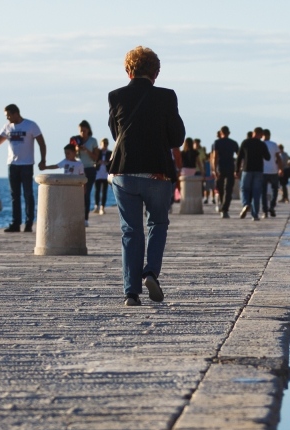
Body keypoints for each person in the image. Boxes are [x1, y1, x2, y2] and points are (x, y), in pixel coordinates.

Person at [108, 46, 184, 307]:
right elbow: (177, 138)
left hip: (124, 172)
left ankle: (131, 293)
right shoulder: (167, 97)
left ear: (128, 70)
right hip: (157, 173)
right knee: (158, 225)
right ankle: (150, 272)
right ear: (156, 72)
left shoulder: (115, 96)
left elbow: (115, 131)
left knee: (130, 231)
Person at [0, 103, 44, 232]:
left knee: (28, 194)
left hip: (26, 165)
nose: (7, 118)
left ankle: (29, 223)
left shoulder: (30, 125)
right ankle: (15, 223)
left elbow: (41, 142)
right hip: (12, 165)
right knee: (14, 195)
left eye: (8, 116)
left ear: (15, 113)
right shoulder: (7, 127)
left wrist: (43, 160)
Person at [238, 128, 271, 221]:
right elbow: (268, 157)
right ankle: (255, 215)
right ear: (261, 135)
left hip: (247, 169)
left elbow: (239, 157)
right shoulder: (262, 144)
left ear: (253, 133)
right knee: (256, 192)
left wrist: (236, 170)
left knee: (244, 189)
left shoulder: (245, 142)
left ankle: (246, 204)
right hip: (258, 170)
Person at [211, 126, 239, 218]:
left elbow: (215, 156)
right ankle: (225, 209)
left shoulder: (217, 142)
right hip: (230, 167)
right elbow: (239, 156)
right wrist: (238, 169)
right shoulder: (233, 143)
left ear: (221, 132)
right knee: (228, 189)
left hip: (220, 167)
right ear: (229, 133)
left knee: (221, 188)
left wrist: (214, 169)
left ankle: (223, 207)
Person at [261, 128, 280, 217]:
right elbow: (278, 157)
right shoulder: (274, 144)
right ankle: (272, 206)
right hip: (273, 170)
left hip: (263, 171)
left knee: (263, 191)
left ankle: (265, 211)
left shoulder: (260, 144)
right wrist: (281, 169)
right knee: (275, 190)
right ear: (269, 135)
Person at [93, 138, 111, 214]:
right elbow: (93, 160)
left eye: (106, 143)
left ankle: (102, 207)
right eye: (104, 143)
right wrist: (98, 162)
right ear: (101, 144)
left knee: (104, 191)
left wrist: (107, 163)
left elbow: (111, 162)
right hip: (98, 173)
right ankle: (96, 206)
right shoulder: (98, 152)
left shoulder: (110, 152)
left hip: (105, 174)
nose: (105, 145)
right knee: (97, 190)